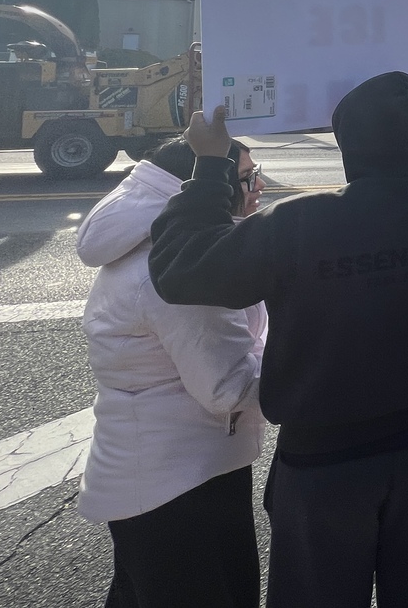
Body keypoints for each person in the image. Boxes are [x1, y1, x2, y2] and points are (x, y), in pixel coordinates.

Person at [147, 72, 408, 608]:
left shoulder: (299, 222)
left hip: (326, 460)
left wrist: (208, 166)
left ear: (350, 144)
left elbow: (183, 268)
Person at [77, 137, 267, 608]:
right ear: (206, 188)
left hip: (164, 470)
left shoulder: (157, 245)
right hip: (180, 484)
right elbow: (229, 386)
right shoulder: (178, 272)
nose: (259, 185)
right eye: (246, 178)